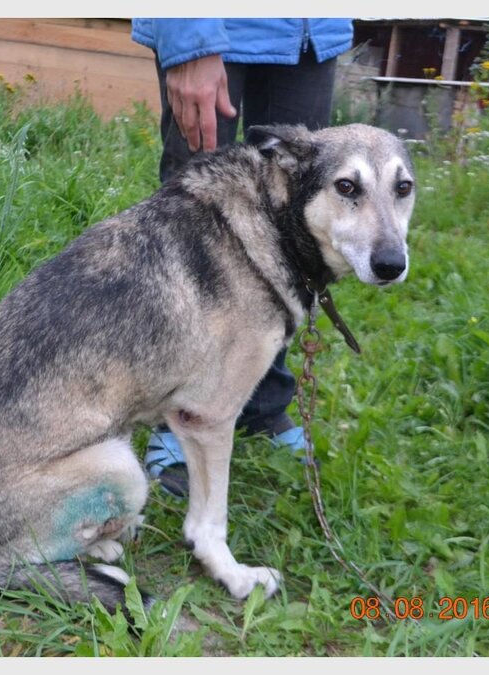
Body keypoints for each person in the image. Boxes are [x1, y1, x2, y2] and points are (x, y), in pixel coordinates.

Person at [130, 18, 354, 496]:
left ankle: (261, 403)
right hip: (217, 29)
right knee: (196, 226)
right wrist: (190, 39)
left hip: (308, 34)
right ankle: (181, 411)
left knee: (295, 228)